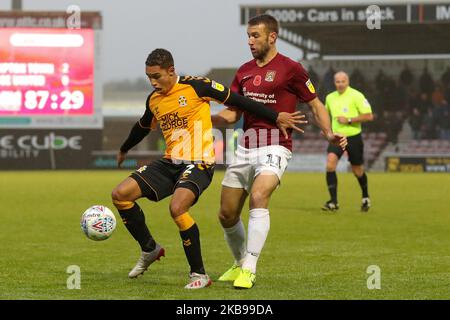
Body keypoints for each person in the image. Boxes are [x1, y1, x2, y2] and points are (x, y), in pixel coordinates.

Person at [111, 48, 305, 290]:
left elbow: (240, 101)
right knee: (120, 195)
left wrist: (275, 117)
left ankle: (198, 275)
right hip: (170, 161)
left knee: (177, 208)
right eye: (149, 76)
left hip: (199, 163)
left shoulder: (197, 86)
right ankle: (150, 249)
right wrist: (124, 148)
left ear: (171, 71)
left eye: (157, 76)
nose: (153, 82)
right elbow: (142, 125)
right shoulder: (154, 99)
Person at [211, 14, 347, 289]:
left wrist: (328, 133)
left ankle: (249, 267)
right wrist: (204, 117)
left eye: (255, 36)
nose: (250, 41)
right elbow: (231, 114)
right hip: (246, 147)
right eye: (248, 36)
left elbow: (315, 104)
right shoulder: (244, 71)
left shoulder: (291, 69)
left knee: (259, 196)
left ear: (272, 37)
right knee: (226, 214)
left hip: (276, 145)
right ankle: (239, 264)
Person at [322, 71, 374, 212]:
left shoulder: (356, 95)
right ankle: (333, 202)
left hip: (353, 137)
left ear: (348, 81)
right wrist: (325, 130)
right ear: (334, 82)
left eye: (342, 81)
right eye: (337, 81)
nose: (340, 84)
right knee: (330, 164)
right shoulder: (330, 97)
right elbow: (325, 116)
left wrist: (349, 120)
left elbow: (369, 116)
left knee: (357, 170)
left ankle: (365, 197)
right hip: (337, 138)